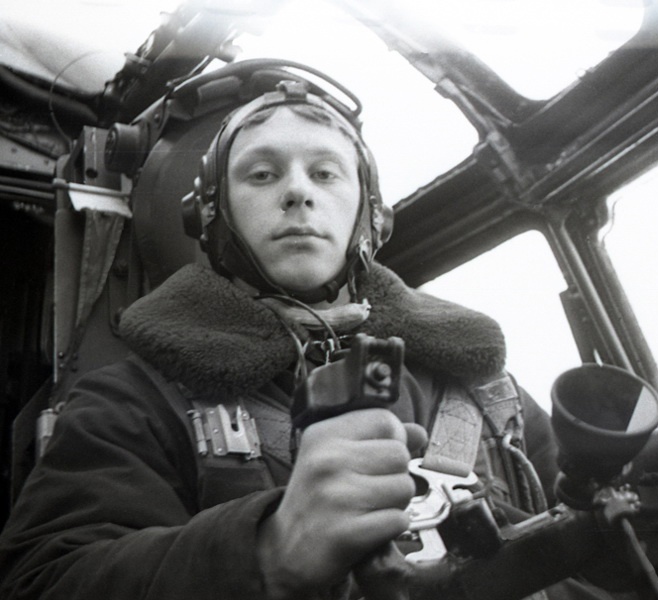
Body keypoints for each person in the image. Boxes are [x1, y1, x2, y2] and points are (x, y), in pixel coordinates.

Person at [0, 75, 615, 599]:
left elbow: (615, 568)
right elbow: (45, 579)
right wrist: (265, 549)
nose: (298, 192)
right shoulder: (132, 399)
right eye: (262, 174)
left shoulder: (484, 387)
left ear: (369, 214)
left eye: (325, 172)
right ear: (210, 215)